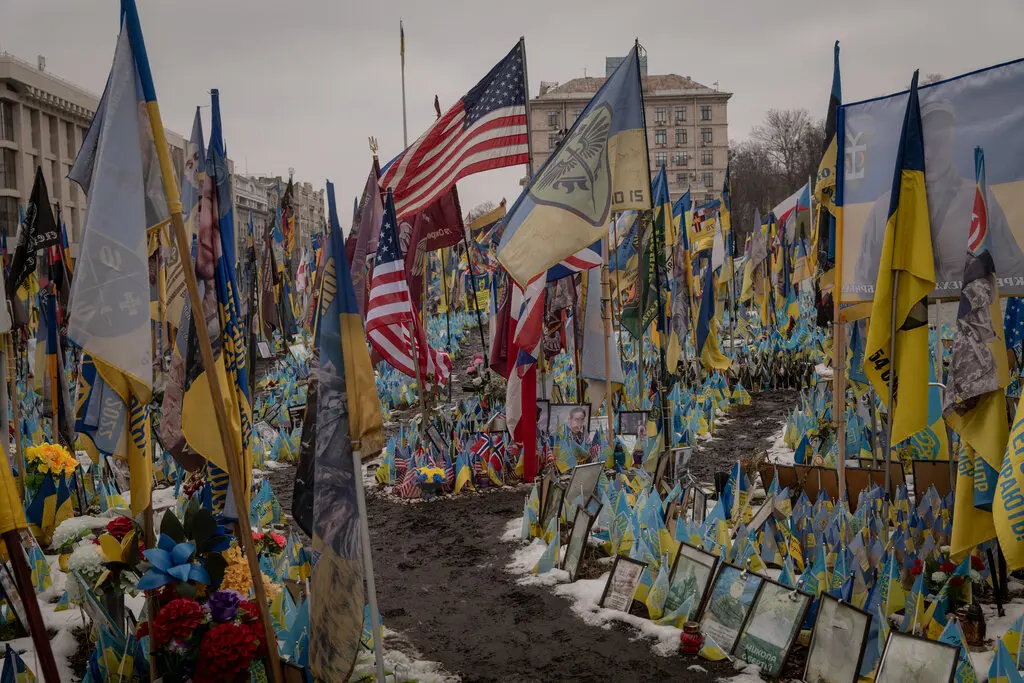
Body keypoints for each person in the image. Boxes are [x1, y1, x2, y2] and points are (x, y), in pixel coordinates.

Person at [855, 99, 1024, 293]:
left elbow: (1013, 270)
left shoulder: (977, 199)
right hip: (907, 321)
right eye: (921, 144)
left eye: (937, 143)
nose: (928, 154)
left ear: (952, 141)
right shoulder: (884, 209)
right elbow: (865, 285)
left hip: (966, 318)